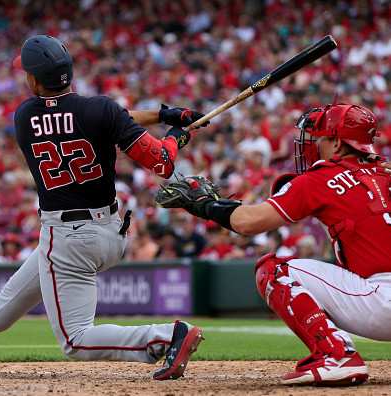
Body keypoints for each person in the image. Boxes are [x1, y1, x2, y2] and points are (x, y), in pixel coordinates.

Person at [0, 35, 209, 380]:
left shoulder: (25, 116)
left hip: (68, 236)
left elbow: (99, 119)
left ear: (37, 80)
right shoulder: (102, 109)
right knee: (7, 303)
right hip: (110, 232)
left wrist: (160, 115)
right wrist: (176, 132)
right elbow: (156, 157)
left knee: (75, 340)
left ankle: (165, 337)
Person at [155, 99, 391, 386]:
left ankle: (335, 355)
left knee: (274, 269)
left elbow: (248, 222)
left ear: (337, 144)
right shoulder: (385, 172)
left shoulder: (323, 177)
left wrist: (204, 204)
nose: (313, 145)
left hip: (382, 302)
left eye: (319, 139)